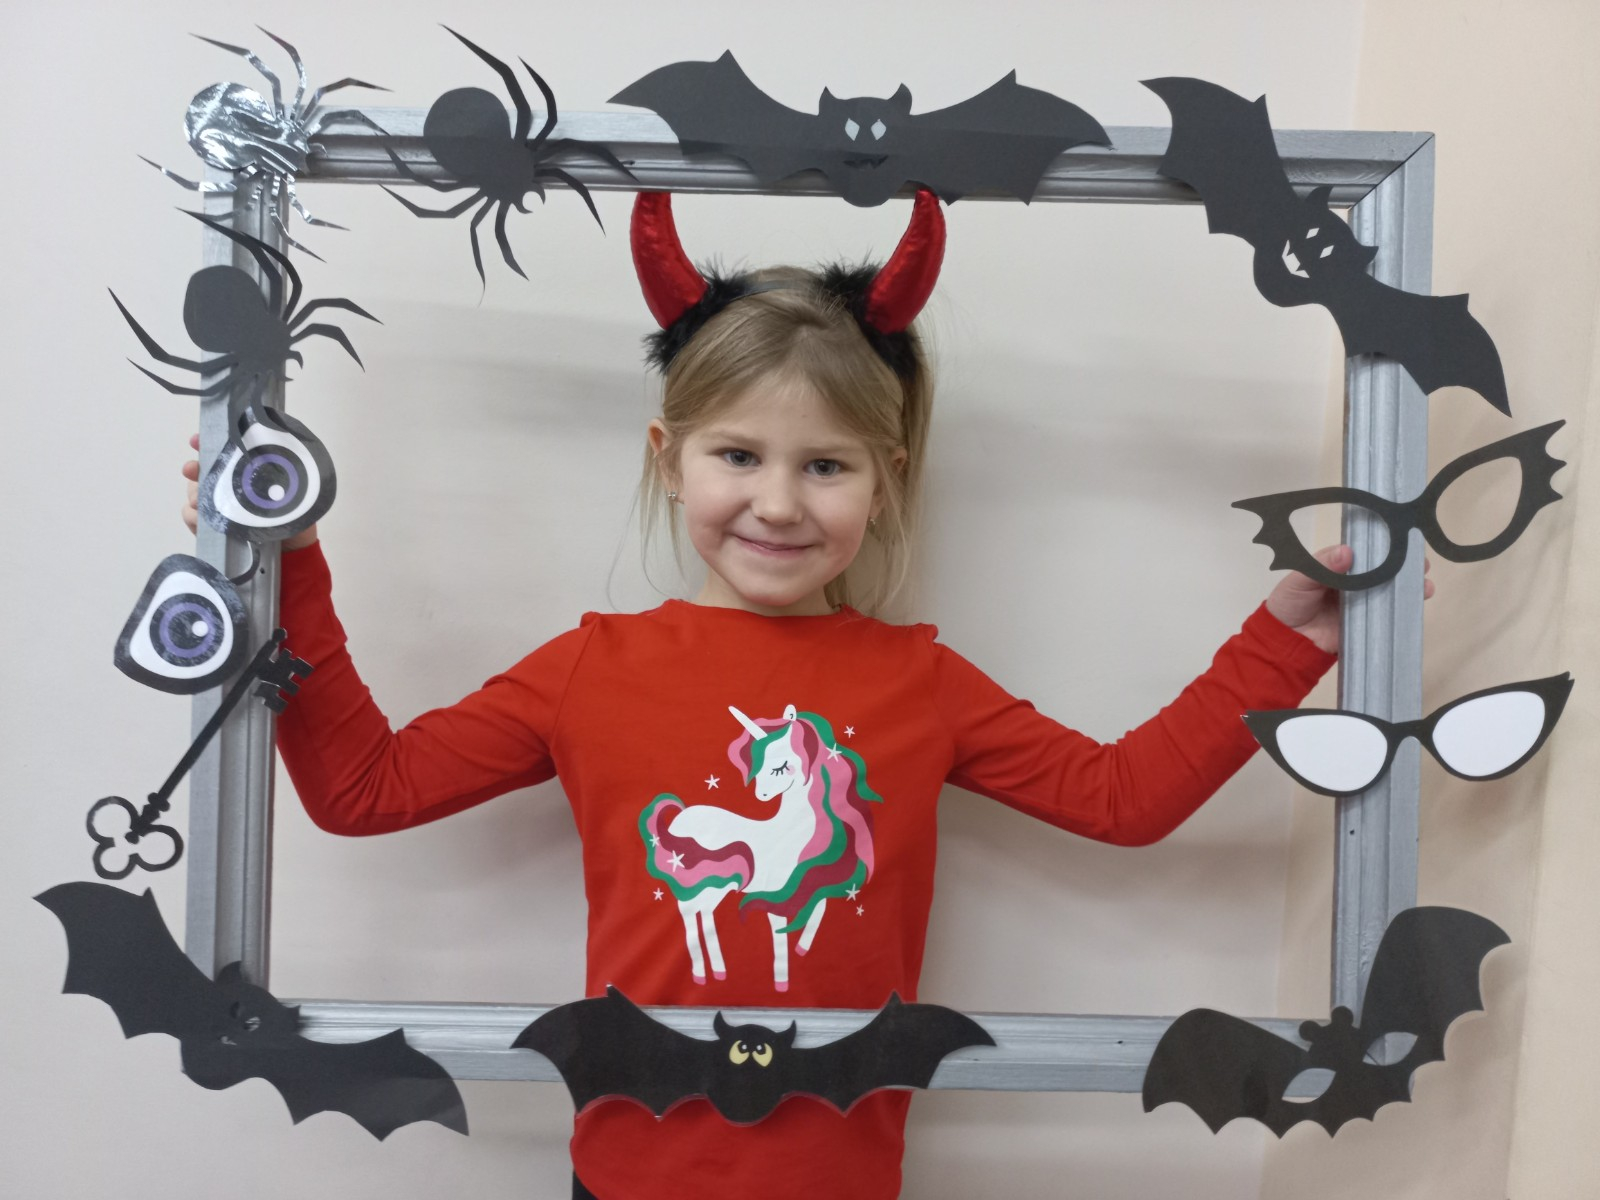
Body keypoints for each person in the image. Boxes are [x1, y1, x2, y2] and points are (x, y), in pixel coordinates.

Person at [181, 189, 1425, 1199]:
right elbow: (361, 789)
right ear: (670, 461)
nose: (777, 503)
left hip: (840, 1181)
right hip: (625, 1179)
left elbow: (1122, 797)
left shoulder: (918, 682)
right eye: (739, 454)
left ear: (885, 479)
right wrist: (290, 564)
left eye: (824, 465)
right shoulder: (592, 668)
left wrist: (1287, 639)